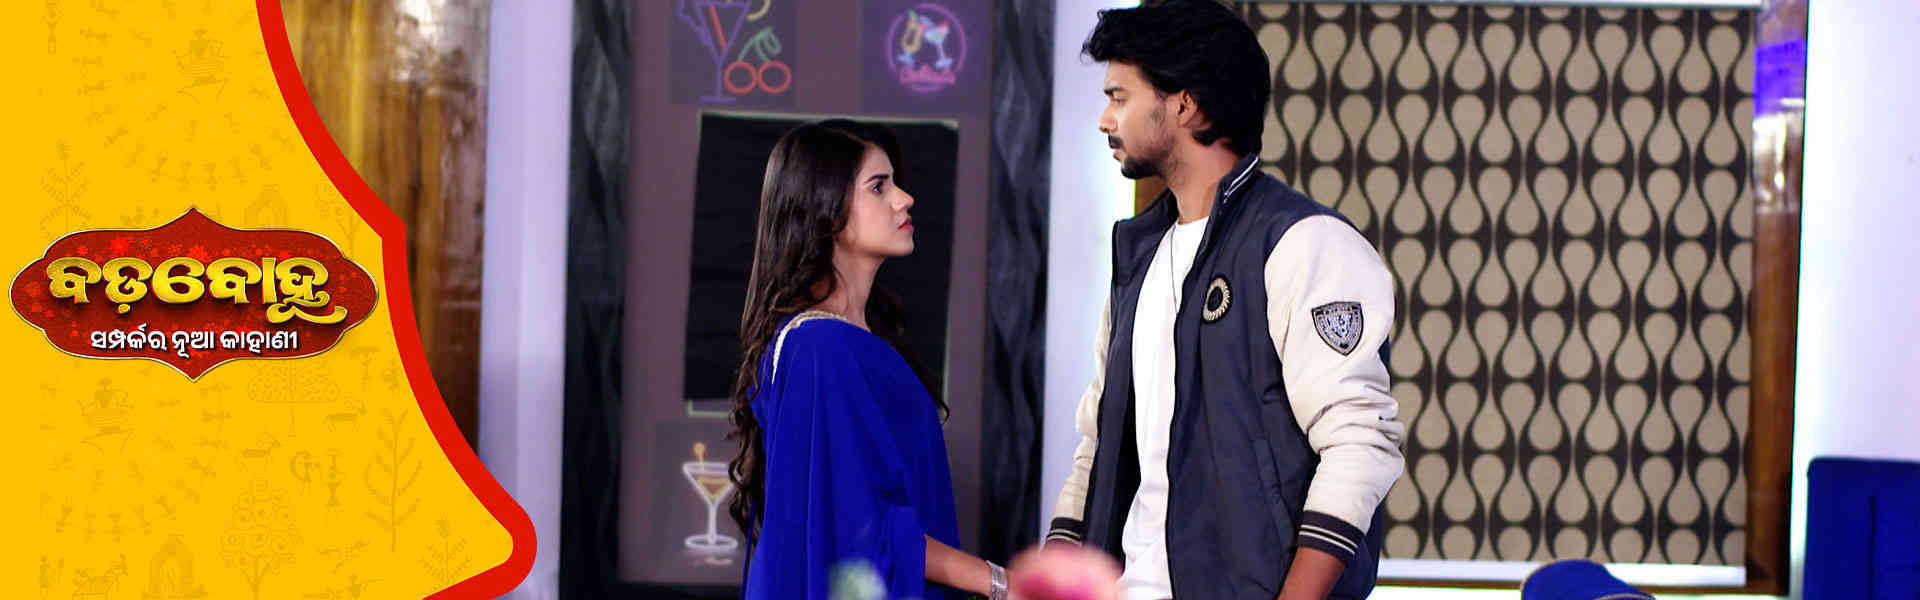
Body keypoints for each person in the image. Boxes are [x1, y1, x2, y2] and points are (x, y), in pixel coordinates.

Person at [1041, 2, 1406, 599]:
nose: (1105, 119)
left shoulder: (1304, 243)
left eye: (1120, 97)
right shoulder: (1139, 256)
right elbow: (1097, 447)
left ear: (1184, 104)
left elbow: (1359, 444)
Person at [726, 119, 1010, 600]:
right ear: (825, 210)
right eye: (879, 187)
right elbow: (858, 529)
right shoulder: (820, 349)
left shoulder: (850, 341)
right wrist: (1004, 584)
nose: (905, 199)